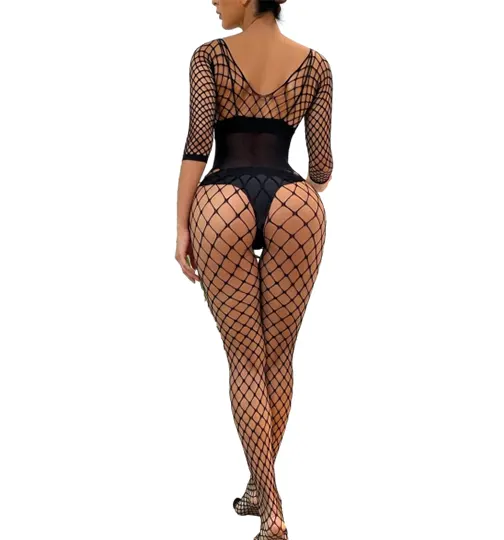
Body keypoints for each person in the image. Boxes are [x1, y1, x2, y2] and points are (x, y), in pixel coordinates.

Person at [175, 1, 333, 538]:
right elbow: (322, 168)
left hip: (222, 201)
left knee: (245, 361)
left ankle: (272, 507)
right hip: (295, 202)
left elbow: (197, 147)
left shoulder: (209, 58)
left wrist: (181, 227)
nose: (212, 1)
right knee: (278, 358)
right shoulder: (315, 65)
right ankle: (261, 489)